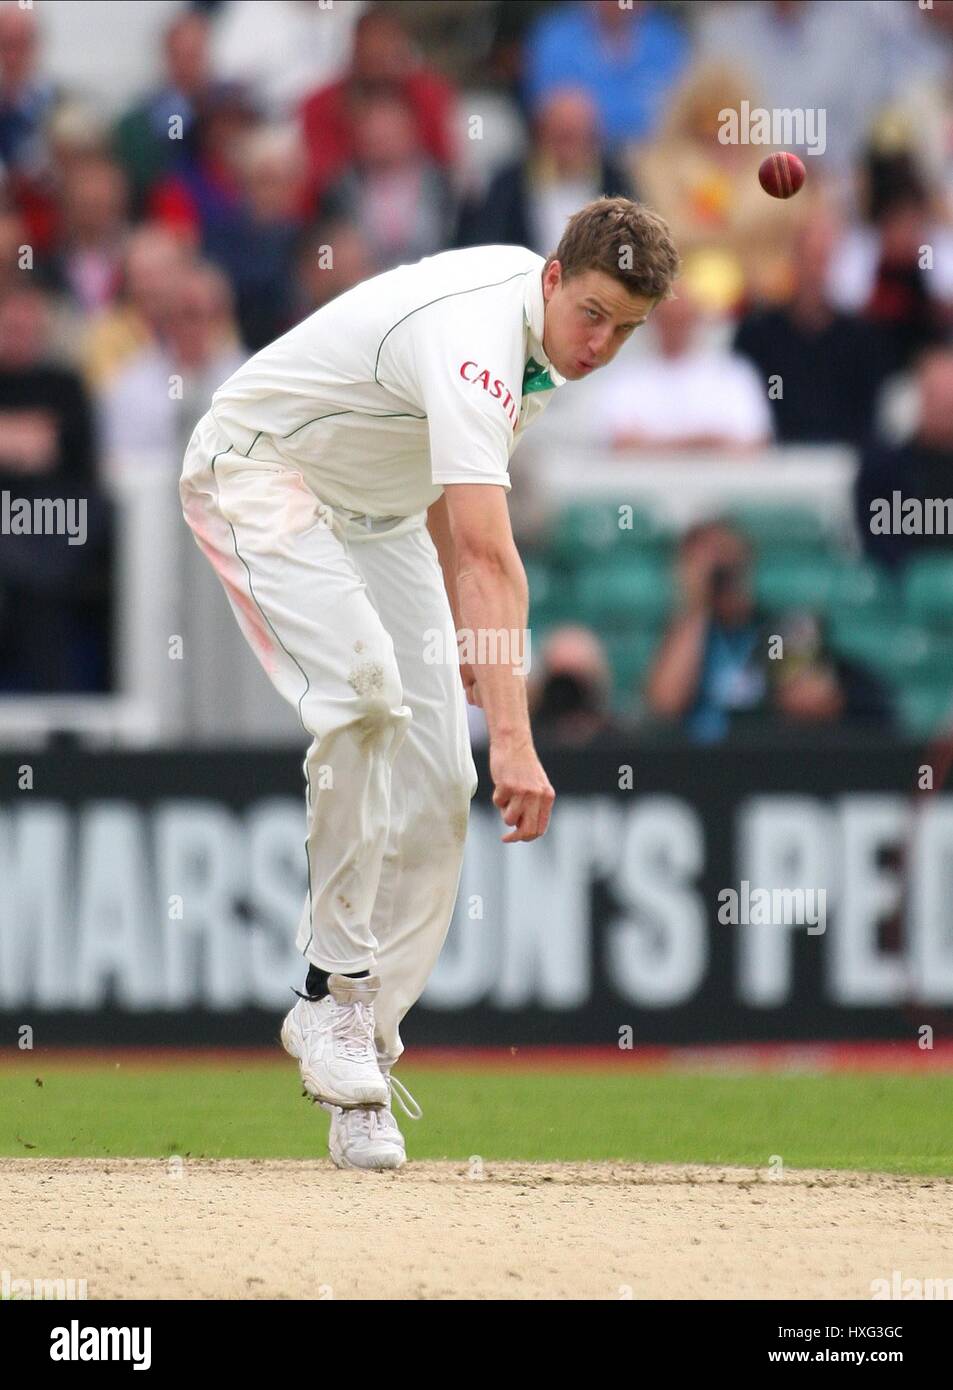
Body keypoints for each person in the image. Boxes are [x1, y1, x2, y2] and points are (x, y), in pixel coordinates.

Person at [179, 196, 678, 1169]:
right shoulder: (477, 339)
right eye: (592, 314)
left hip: (381, 519)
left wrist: (462, 634)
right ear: (550, 278)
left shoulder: (541, 344)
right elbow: (494, 558)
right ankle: (331, 992)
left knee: (439, 785)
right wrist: (517, 737)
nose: (602, 343)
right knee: (365, 699)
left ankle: (362, 1053)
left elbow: (458, 514)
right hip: (260, 472)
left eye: (627, 329)